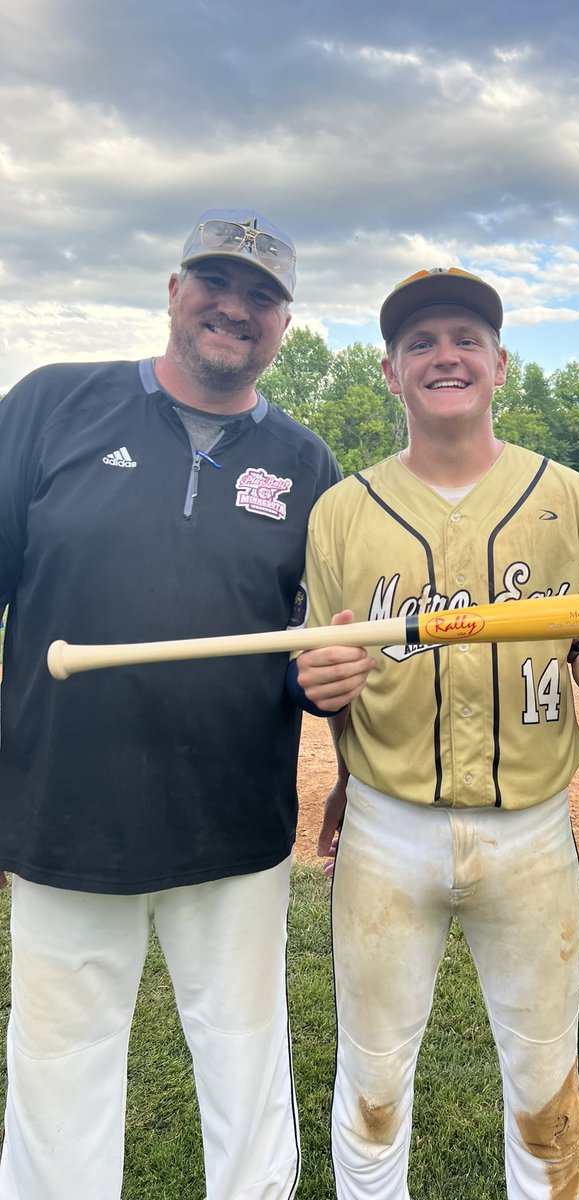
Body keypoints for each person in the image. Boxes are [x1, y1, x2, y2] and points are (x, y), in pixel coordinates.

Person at [0, 208, 341, 1199]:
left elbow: (306, 646)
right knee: (59, 1067)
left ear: (284, 323)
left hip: (231, 823)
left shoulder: (307, 464)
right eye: (215, 282)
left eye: (262, 296)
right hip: (64, 809)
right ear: (173, 291)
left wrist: (321, 684)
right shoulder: (53, 405)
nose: (235, 308)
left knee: (244, 1054)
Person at [290, 266, 579, 1199]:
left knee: (545, 1079)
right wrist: (329, 725)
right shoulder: (341, 511)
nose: (444, 356)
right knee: (371, 1080)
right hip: (386, 827)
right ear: (390, 372)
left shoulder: (571, 498)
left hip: (529, 830)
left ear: (501, 363)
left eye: (466, 339)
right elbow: (330, 676)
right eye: (421, 342)